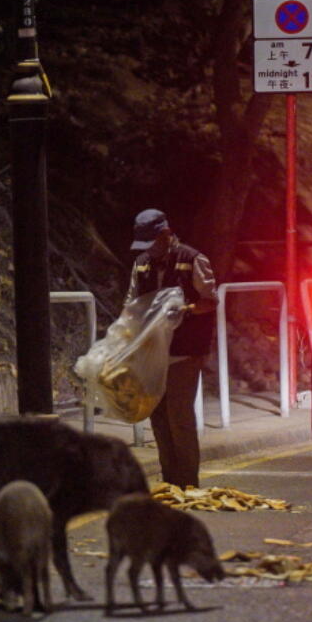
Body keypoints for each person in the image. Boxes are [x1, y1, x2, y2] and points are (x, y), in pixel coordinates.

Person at [125, 209, 218, 488]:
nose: (149, 251)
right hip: (152, 353)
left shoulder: (192, 259)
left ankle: (188, 482)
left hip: (184, 352)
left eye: (152, 243)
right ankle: (169, 482)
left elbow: (210, 301)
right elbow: (131, 303)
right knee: (159, 417)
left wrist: (185, 310)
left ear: (166, 234)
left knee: (179, 416)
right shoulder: (142, 263)